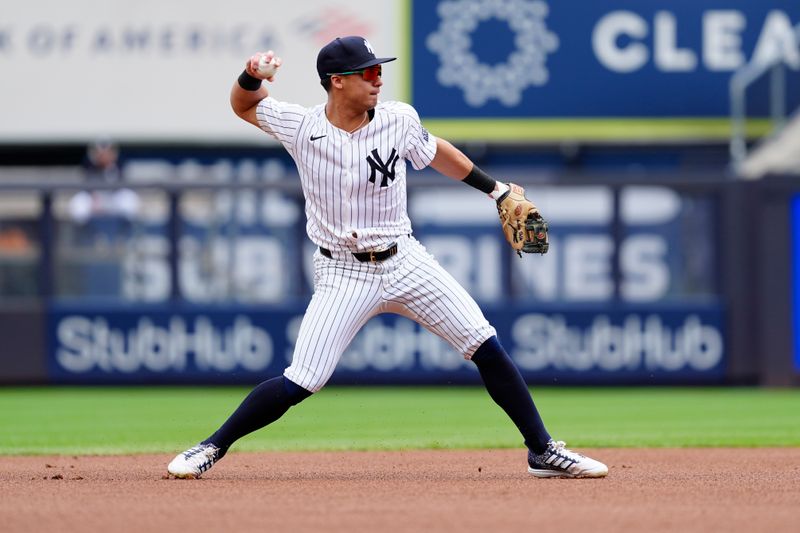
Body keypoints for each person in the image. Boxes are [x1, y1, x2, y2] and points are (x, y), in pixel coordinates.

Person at [167, 36, 607, 479]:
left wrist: (496, 190)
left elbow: (437, 153)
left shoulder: (398, 118)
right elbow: (243, 104)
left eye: (380, 69)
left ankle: (542, 450)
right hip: (341, 271)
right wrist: (251, 75)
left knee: (484, 344)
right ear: (337, 82)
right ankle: (210, 447)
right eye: (368, 72)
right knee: (303, 379)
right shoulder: (300, 125)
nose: (378, 78)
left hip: (405, 260)